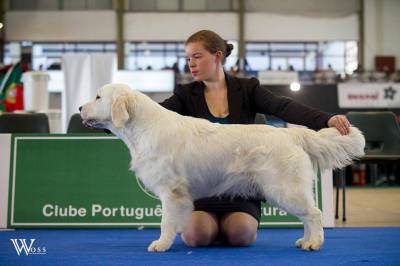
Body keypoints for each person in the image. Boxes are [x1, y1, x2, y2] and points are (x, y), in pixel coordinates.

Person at [159, 30, 351, 247]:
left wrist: (326, 120)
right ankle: (210, 227)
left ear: (218, 56)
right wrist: (114, 118)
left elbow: (282, 106)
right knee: (196, 237)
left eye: (197, 56)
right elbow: (153, 116)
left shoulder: (247, 88)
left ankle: (313, 230)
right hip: (205, 189)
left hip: (242, 185)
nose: (190, 64)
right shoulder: (185, 94)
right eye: (188, 58)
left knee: (240, 235)